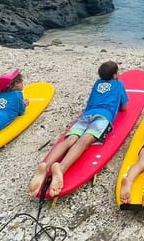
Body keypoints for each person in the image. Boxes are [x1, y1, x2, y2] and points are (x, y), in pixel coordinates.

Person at [28, 61, 128, 197]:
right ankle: (61, 168)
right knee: (84, 141)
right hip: (103, 117)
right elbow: (124, 108)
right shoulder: (119, 84)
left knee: (70, 140)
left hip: (86, 116)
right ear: (115, 75)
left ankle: (45, 166)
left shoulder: (97, 84)